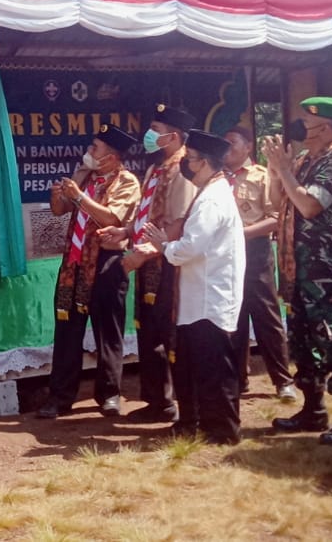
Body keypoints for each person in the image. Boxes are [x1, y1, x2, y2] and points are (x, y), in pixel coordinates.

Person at [131, 130, 245, 444]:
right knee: (198, 367)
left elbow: (190, 248)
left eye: (191, 160)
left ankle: (223, 430)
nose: (187, 165)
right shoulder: (208, 192)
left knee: (214, 369)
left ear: (204, 162)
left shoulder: (212, 198)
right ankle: (204, 424)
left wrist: (164, 245)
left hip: (210, 298)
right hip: (198, 297)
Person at [262, 96, 332, 445]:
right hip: (296, 267)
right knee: (303, 341)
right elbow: (279, 203)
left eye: (310, 126)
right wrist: (276, 171)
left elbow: (308, 205)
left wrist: (286, 171)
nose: (303, 131)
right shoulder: (305, 160)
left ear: (328, 129)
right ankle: (313, 409)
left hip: (325, 270)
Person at [38, 124, 140, 419]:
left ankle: (109, 394)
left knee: (108, 331)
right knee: (67, 330)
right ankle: (59, 397)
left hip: (106, 261)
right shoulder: (86, 177)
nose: (89, 152)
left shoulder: (127, 181)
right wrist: (62, 193)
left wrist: (80, 197)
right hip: (75, 262)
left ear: (111, 157)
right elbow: (60, 210)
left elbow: (111, 218)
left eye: (95, 148)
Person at [125, 104, 197, 424]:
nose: (149, 135)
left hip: (167, 262)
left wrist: (147, 251)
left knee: (168, 334)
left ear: (174, 136)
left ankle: (182, 405)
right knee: (148, 331)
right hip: (147, 260)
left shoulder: (183, 169)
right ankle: (157, 402)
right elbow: (146, 214)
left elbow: (178, 223)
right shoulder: (156, 168)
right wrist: (125, 232)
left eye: (156, 129)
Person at [223, 125, 295, 402]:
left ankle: (283, 380)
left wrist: (242, 234)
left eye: (233, 142)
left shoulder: (262, 175)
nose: (228, 147)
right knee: (233, 317)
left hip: (254, 252)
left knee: (266, 317)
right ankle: (237, 379)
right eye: (225, 142)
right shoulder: (217, 178)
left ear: (248, 147)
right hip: (224, 255)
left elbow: (276, 218)